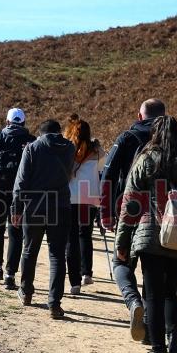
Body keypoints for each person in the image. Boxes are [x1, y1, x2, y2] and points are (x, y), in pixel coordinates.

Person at [116, 116, 177, 353]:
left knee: (153, 296)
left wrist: (122, 243)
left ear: (153, 134)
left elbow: (130, 205)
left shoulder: (146, 160)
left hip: (150, 237)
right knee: (169, 293)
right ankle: (176, 351)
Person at [100, 98, 166, 343]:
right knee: (153, 269)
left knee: (121, 263)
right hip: (164, 214)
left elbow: (107, 175)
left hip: (128, 208)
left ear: (140, 116)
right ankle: (149, 327)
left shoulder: (127, 137)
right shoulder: (171, 139)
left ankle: (132, 301)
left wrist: (105, 212)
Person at [14, 119, 75, 319]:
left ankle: (26, 292)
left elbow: (21, 180)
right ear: (59, 132)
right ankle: (54, 303)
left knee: (30, 250)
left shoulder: (33, 148)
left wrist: (16, 207)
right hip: (61, 205)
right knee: (57, 255)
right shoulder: (69, 148)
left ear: (41, 133)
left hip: (35, 205)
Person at [0, 108, 36, 290]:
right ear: (23, 123)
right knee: (16, 231)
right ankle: (11, 274)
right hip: (20, 191)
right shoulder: (31, 141)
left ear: (7, 121)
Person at [64, 116, 106, 294]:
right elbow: (103, 166)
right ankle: (86, 272)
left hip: (70, 197)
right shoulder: (97, 152)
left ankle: (74, 282)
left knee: (71, 238)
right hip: (90, 198)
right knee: (86, 234)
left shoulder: (66, 149)